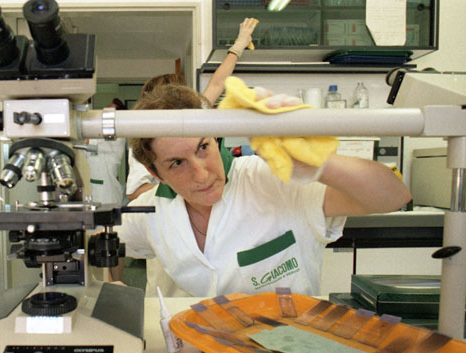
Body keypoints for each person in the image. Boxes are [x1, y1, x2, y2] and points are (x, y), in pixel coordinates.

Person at [111, 84, 411, 297]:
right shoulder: (152, 209)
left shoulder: (271, 180)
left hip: (289, 350)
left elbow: (394, 196)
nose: (201, 174)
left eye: (203, 147)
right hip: (199, 352)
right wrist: (113, 284)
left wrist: (319, 164)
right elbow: (106, 238)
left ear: (215, 139)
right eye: (177, 163)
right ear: (155, 174)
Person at [126, 17, 258, 201]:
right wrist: (178, 185)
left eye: (203, 147)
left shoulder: (193, 115)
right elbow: (135, 191)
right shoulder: (146, 137)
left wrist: (239, 44)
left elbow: (217, 83)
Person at [85, 98, 128, 206]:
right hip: (93, 191)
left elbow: (88, 142)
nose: (104, 112)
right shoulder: (98, 132)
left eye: (109, 111)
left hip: (108, 194)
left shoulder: (118, 136)